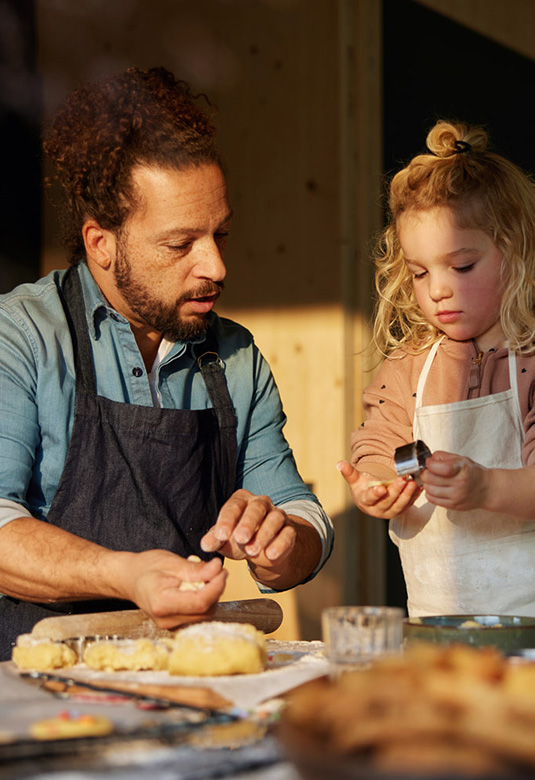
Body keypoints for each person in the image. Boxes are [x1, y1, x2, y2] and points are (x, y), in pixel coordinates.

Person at [0, 66, 333, 660]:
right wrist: (125, 575)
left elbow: (298, 508)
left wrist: (283, 544)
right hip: (30, 685)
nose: (215, 266)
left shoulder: (234, 357)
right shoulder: (21, 336)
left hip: (178, 682)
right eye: (181, 244)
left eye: (221, 235)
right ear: (102, 243)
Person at [338, 120, 535, 659]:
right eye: (417, 272)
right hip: (438, 646)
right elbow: (379, 443)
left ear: (516, 251)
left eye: (462, 265)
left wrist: (485, 490)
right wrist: (377, 483)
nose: (436, 289)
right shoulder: (410, 365)